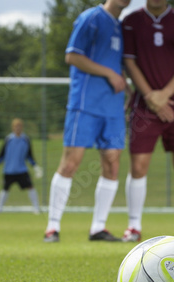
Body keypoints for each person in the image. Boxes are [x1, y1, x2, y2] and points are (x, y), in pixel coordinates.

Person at [43, 0, 131, 243]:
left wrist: (127, 88)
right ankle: (52, 227)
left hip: (112, 107)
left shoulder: (121, 26)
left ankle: (98, 228)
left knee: (112, 164)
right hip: (85, 104)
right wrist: (109, 73)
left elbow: (119, 64)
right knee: (71, 162)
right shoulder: (90, 18)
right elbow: (72, 56)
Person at [121, 0, 174, 242]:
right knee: (138, 166)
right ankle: (134, 226)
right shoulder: (131, 21)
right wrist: (150, 97)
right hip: (144, 105)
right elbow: (129, 61)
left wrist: (163, 95)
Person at [0, 118, 43, 215]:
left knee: (31, 187)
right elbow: (2, 154)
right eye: (16, 126)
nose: (18, 128)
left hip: (22, 170)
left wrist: (35, 166)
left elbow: (29, 155)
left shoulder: (26, 139)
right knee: (5, 189)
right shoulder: (8, 139)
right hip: (9, 170)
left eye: (19, 126)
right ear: (13, 127)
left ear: (22, 127)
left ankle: (36, 208)